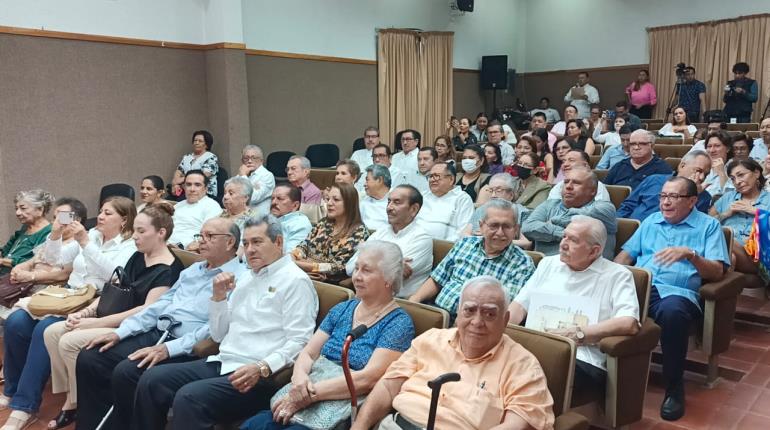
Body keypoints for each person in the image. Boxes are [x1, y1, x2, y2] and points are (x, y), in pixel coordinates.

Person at [120, 216, 318, 430]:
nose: (250, 249)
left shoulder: (295, 281)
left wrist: (262, 367)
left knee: (189, 398)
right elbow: (218, 334)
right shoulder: (247, 277)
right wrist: (218, 299)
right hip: (223, 361)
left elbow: (300, 341)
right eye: (246, 243)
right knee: (152, 380)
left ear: (278, 242)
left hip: (257, 374)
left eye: (257, 242)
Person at [75, 217, 245, 430]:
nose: (201, 241)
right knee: (92, 356)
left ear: (230, 242)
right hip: (158, 331)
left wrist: (167, 349)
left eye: (209, 236)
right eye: (200, 236)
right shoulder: (193, 270)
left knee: (128, 371)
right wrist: (121, 332)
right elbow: (159, 305)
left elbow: (212, 329)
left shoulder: (240, 279)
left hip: (185, 346)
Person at [244, 240, 415, 430]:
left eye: (366, 270)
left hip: (341, 406)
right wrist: (299, 380)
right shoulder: (342, 309)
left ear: (388, 279)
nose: (357, 276)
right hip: (306, 392)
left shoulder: (399, 323)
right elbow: (308, 353)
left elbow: (368, 379)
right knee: (253, 425)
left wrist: (309, 395)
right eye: (356, 268)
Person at [41, 203, 184, 430]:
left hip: (134, 327)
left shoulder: (169, 269)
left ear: (161, 233)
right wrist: (84, 312)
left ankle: (74, 403)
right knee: (51, 332)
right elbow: (113, 290)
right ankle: (74, 394)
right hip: (112, 316)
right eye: (134, 230)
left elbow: (146, 311)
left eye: (141, 231)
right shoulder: (138, 257)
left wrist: (95, 322)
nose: (135, 237)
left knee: (69, 341)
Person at [1, 197, 137, 430]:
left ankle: (25, 406)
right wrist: (54, 235)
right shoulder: (93, 233)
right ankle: (12, 389)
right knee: (16, 322)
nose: (101, 217)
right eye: (101, 211)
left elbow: (113, 276)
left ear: (124, 220)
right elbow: (57, 260)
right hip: (66, 294)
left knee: (44, 330)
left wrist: (85, 242)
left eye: (108, 213)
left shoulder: (129, 245)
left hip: (94, 300)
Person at [353, 276, 555, 430]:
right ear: (458, 313)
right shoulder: (430, 340)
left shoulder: (523, 365)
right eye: (469, 311)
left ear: (505, 319)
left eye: (490, 314)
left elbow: (519, 424)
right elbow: (388, 387)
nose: (477, 322)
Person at [615, 177, 729, 421]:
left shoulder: (708, 226)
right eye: (663, 196)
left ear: (691, 201)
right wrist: (609, 279)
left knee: (672, 313)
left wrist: (691, 256)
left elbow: (717, 271)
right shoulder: (650, 221)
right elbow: (625, 257)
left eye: (673, 197)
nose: (665, 202)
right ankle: (601, 375)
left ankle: (674, 388)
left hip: (678, 294)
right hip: (641, 286)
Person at [510, 216, 640, 392]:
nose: (563, 244)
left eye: (573, 240)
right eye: (564, 236)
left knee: (528, 375)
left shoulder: (617, 275)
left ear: (594, 251)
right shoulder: (548, 264)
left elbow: (629, 323)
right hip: (534, 349)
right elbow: (518, 307)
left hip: (582, 358)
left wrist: (578, 334)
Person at [410, 199, 535, 316]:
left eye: (507, 226)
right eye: (494, 225)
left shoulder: (523, 263)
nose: (500, 232)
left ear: (516, 230)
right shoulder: (465, 244)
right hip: (438, 313)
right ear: (481, 226)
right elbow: (438, 279)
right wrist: (414, 300)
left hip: (476, 324)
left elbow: (502, 308)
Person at [2, 198, 87, 319]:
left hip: (51, 290)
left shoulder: (80, 243)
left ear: (77, 220)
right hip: (26, 286)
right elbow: (34, 260)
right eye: (54, 217)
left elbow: (64, 275)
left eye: (62, 217)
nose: (55, 222)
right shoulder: (51, 236)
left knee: (15, 318)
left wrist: (31, 276)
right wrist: (20, 267)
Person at [346, 185, 432, 299]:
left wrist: (367, 264)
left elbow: (391, 278)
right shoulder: (381, 233)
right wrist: (394, 264)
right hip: (366, 298)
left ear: (413, 209)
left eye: (397, 202)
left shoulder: (422, 238)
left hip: (400, 303)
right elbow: (350, 268)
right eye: (389, 201)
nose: (389, 207)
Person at [523, 167, 617, 259]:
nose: (568, 186)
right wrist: (563, 233)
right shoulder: (549, 205)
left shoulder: (605, 209)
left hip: (591, 271)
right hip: (548, 269)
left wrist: (552, 222)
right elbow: (527, 227)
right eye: (566, 182)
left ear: (593, 191)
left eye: (576, 183)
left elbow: (577, 217)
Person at [292, 183, 369, 283]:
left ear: (349, 203)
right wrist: (293, 256)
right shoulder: (324, 223)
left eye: (336, 200)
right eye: (328, 199)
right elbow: (304, 245)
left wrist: (298, 264)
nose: (329, 203)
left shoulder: (359, 232)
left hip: (330, 284)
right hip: (304, 274)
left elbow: (338, 267)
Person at [618, 150, 713, 221]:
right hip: (632, 234)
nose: (701, 177)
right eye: (698, 171)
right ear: (682, 166)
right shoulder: (653, 180)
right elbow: (627, 206)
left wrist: (691, 193)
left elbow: (690, 224)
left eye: (706, 174)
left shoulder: (702, 197)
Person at [711, 159, 770, 274]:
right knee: (730, 256)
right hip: (727, 251)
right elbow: (706, 223)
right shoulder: (727, 198)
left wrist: (755, 211)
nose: (737, 181)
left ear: (757, 173)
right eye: (733, 179)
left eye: (741, 175)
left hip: (758, 256)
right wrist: (725, 214)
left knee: (725, 239)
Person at [463, 182, 533, 250]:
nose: (493, 195)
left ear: (511, 195)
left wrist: (491, 239)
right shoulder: (482, 209)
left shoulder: (521, 212)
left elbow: (527, 243)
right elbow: (464, 234)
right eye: (490, 191)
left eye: (498, 191)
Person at [1, 190, 54, 275]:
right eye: (16, 209)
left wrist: (4, 261)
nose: (17, 213)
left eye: (23, 208)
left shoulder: (49, 233)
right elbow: (5, 250)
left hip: (22, 280)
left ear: (40, 209)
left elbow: (37, 263)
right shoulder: (25, 228)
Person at [416, 162, 474, 241]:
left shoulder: (462, 199)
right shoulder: (423, 196)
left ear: (451, 179)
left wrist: (443, 247)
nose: (432, 180)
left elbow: (463, 231)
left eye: (436, 176)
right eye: (430, 176)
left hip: (443, 248)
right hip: (414, 242)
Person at [167, 170, 223, 249]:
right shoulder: (178, 206)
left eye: (197, 185)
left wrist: (184, 247)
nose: (192, 189)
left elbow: (207, 235)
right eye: (188, 185)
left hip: (186, 251)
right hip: (164, 246)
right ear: (184, 187)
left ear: (206, 189)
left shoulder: (212, 206)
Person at [604, 130, 672, 189]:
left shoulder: (662, 168)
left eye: (642, 144)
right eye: (632, 144)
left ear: (652, 146)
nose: (636, 147)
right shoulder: (619, 166)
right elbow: (604, 189)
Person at [171, 130, 219, 198]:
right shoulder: (187, 157)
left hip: (205, 192)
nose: (196, 143)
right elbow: (178, 172)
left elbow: (203, 175)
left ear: (207, 144)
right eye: (195, 140)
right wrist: (175, 185)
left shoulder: (211, 157)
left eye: (200, 141)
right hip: (185, 190)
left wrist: (179, 181)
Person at [269, 183, 312, 253]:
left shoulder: (300, 225)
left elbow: (290, 257)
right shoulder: (267, 219)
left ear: (295, 205)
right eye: (272, 198)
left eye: (280, 199)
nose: (273, 202)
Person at [237, 144, 275, 216]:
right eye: (246, 158)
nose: (249, 161)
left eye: (253, 158)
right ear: (242, 161)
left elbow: (252, 198)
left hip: (258, 219)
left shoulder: (267, 175)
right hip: (240, 215)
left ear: (261, 160)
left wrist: (243, 176)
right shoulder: (240, 175)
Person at [702, 131, 734, 199]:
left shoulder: (735, 168)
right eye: (709, 146)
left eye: (717, 146)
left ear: (728, 149)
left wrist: (721, 173)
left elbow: (731, 197)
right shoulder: (701, 168)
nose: (712, 150)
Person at [360, 164, 391, 232]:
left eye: (367, 180)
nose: (364, 184)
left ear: (379, 180)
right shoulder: (364, 201)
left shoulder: (396, 200)